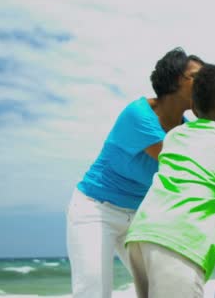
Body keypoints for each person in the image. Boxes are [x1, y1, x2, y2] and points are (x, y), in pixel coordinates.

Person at [125, 64, 215, 298]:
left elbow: (199, 182)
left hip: (141, 235)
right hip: (179, 241)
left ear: (194, 109)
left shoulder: (176, 136)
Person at [66, 47, 203, 297]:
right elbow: (186, 170)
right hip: (97, 210)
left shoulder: (189, 128)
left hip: (140, 216)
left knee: (162, 287)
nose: (204, 86)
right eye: (196, 78)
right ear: (174, 80)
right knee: (93, 290)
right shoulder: (139, 115)